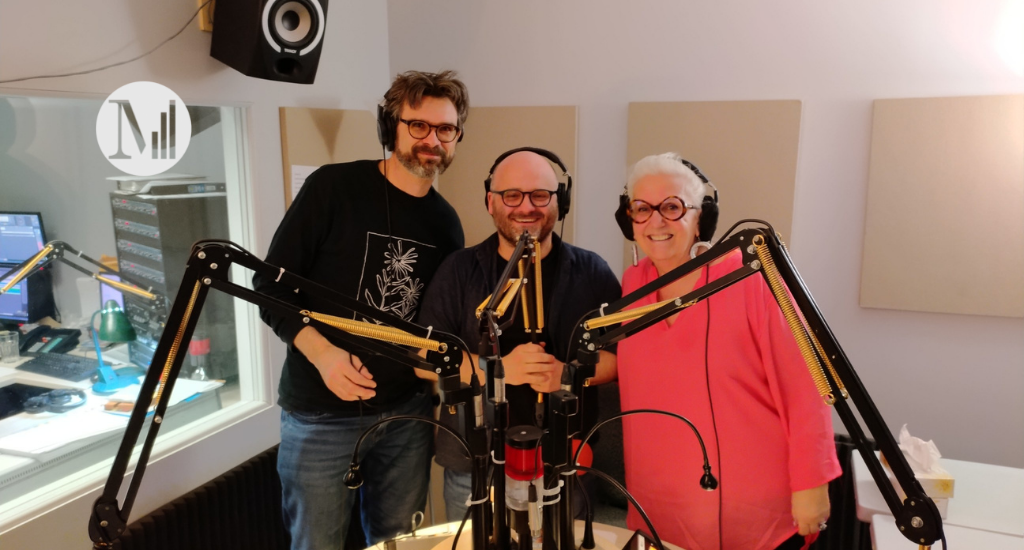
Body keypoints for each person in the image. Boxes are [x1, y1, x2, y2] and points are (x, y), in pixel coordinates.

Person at [252, 70, 469, 550]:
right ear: (389, 126)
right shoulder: (333, 188)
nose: (432, 140)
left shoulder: (446, 223)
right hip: (319, 417)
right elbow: (269, 285)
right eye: (418, 126)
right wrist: (324, 355)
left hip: (406, 418)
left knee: (399, 544)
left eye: (445, 129)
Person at [615, 153, 840, 550]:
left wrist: (812, 482)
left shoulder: (750, 277)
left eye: (672, 207)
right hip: (660, 509)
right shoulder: (633, 285)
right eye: (641, 209)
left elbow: (807, 384)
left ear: (703, 217)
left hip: (753, 514)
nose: (656, 221)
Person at [416, 148, 621, 521]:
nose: (526, 207)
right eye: (512, 195)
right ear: (490, 202)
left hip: (565, 461)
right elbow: (425, 360)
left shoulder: (593, 272)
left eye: (540, 195)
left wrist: (568, 373)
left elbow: (620, 360)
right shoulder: (458, 271)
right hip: (475, 466)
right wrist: (498, 370)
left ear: (561, 202)